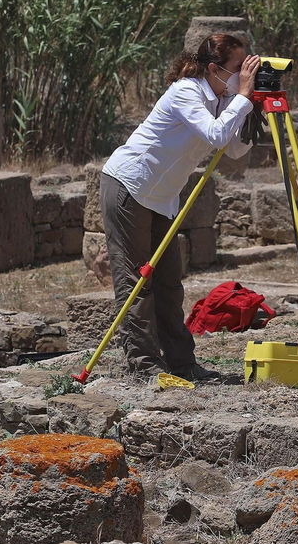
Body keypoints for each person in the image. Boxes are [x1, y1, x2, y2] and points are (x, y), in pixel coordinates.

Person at [101, 33, 261, 381]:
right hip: (130, 185)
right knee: (136, 282)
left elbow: (232, 150)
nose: (242, 75)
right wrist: (243, 98)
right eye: (238, 68)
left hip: (161, 197)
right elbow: (216, 136)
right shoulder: (187, 90)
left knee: (170, 283)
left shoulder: (223, 98)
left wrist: (252, 108)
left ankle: (182, 363)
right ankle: (144, 368)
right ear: (215, 68)